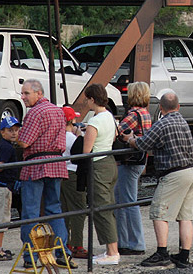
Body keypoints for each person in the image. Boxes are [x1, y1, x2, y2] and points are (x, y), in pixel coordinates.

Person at [124, 91, 193, 269]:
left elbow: (143, 144)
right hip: (192, 171)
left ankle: (162, 253)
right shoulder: (183, 121)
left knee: (159, 213)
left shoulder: (162, 124)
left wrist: (130, 139)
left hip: (173, 174)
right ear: (178, 107)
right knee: (185, 216)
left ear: (161, 108)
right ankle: (183, 256)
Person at [16, 79, 76, 269]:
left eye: (26, 93)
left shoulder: (35, 112)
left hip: (36, 164)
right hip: (56, 163)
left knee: (31, 212)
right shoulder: (58, 111)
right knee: (54, 209)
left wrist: (17, 138)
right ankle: (62, 252)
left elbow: (25, 143)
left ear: (38, 94)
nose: (23, 97)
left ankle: (30, 255)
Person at [81, 84, 120, 265]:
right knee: (108, 207)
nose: (85, 101)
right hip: (110, 162)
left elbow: (86, 150)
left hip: (98, 166)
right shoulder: (109, 116)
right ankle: (111, 249)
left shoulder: (93, 122)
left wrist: (79, 133)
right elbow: (111, 139)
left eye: (87, 98)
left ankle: (112, 253)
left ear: (92, 99)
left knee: (101, 208)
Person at [115, 82, 152, 256]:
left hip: (129, 162)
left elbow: (118, 131)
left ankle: (135, 243)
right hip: (140, 160)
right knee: (123, 200)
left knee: (128, 202)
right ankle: (124, 242)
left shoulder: (133, 114)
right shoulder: (145, 113)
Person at [0, 116, 21, 262]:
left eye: (16, 130)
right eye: (9, 130)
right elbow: (0, 166)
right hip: (0, 187)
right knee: (1, 219)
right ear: (2, 132)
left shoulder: (2, 145)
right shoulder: (7, 147)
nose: (14, 133)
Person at [59, 105, 87, 259]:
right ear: (71, 120)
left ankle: (65, 243)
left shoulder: (57, 136)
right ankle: (77, 245)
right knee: (79, 209)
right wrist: (80, 135)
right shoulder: (72, 138)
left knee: (64, 210)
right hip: (73, 173)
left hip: (61, 174)